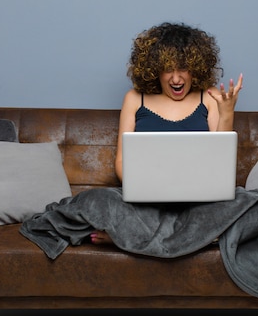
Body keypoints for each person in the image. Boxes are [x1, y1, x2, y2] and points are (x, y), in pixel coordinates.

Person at [91, 22, 243, 244]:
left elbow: (220, 162)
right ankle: (197, 237)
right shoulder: (134, 98)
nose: (176, 78)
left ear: (195, 67)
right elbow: (122, 161)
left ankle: (130, 237)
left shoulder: (209, 97)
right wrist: (145, 186)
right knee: (96, 200)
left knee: (249, 204)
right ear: (154, 69)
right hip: (147, 202)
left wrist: (227, 112)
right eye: (168, 68)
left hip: (198, 203)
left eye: (183, 68)